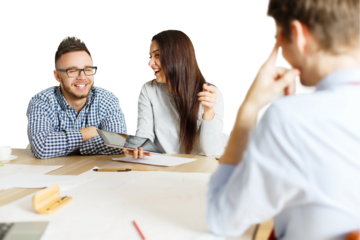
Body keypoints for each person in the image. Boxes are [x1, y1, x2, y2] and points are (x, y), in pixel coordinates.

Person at [207, 0, 360, 239]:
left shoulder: (291, 119)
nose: (283, 57)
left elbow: (222, 219)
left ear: (298, 35)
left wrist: (247, 111)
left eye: (279, 39)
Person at [123, 28, 225, 159]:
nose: (150, 63)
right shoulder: (148, 88)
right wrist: (139, 146)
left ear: (177, 56)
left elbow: (210, 151)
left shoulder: (212, 94)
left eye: (157, 55)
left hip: (198, 168)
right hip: (163, 166)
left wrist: (209, 111)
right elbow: (144, 133)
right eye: (150, 56)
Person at [26, 35, 128, 159]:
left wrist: (70, 147)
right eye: (72, 71)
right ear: (57, 76)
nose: (82, 77)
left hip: (95, 174)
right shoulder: (41, 100)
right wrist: (87, 133)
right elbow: (41, 147)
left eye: (88, 69)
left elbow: (119, 144)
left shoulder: (107, 99)